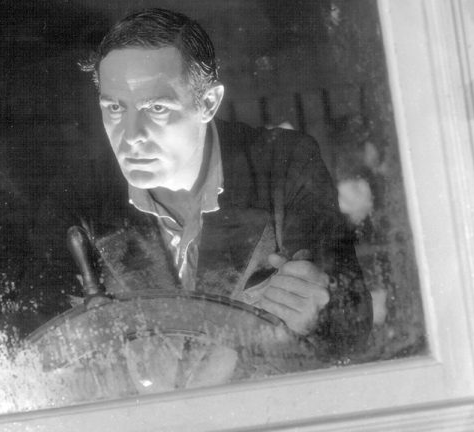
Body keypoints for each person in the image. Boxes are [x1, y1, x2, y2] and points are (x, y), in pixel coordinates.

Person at [29, 8, 372, 356]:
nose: (131, 136)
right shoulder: (78, 197)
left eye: (157, 109)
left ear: (208, 103)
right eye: (115, 109)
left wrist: (322, 315)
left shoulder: (285, 163)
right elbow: (38, 353)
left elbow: (351, 326)